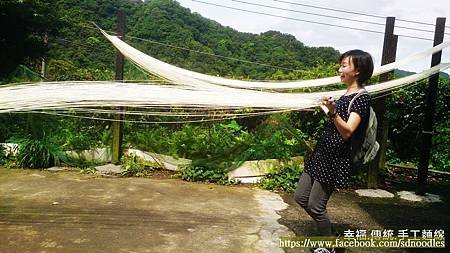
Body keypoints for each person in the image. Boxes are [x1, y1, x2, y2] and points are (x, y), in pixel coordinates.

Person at [294, 50, 374, 253]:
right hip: (320, 154)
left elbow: (347, 131)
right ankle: (330, 236)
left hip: (334, 159)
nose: (340, 69)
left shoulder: (362, 98)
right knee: (300, 197)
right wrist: (329, 108)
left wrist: (333, 112)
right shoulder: (345, 94)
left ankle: (331, 245)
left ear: (358, 71)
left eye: (345, 65)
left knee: (316, 206)